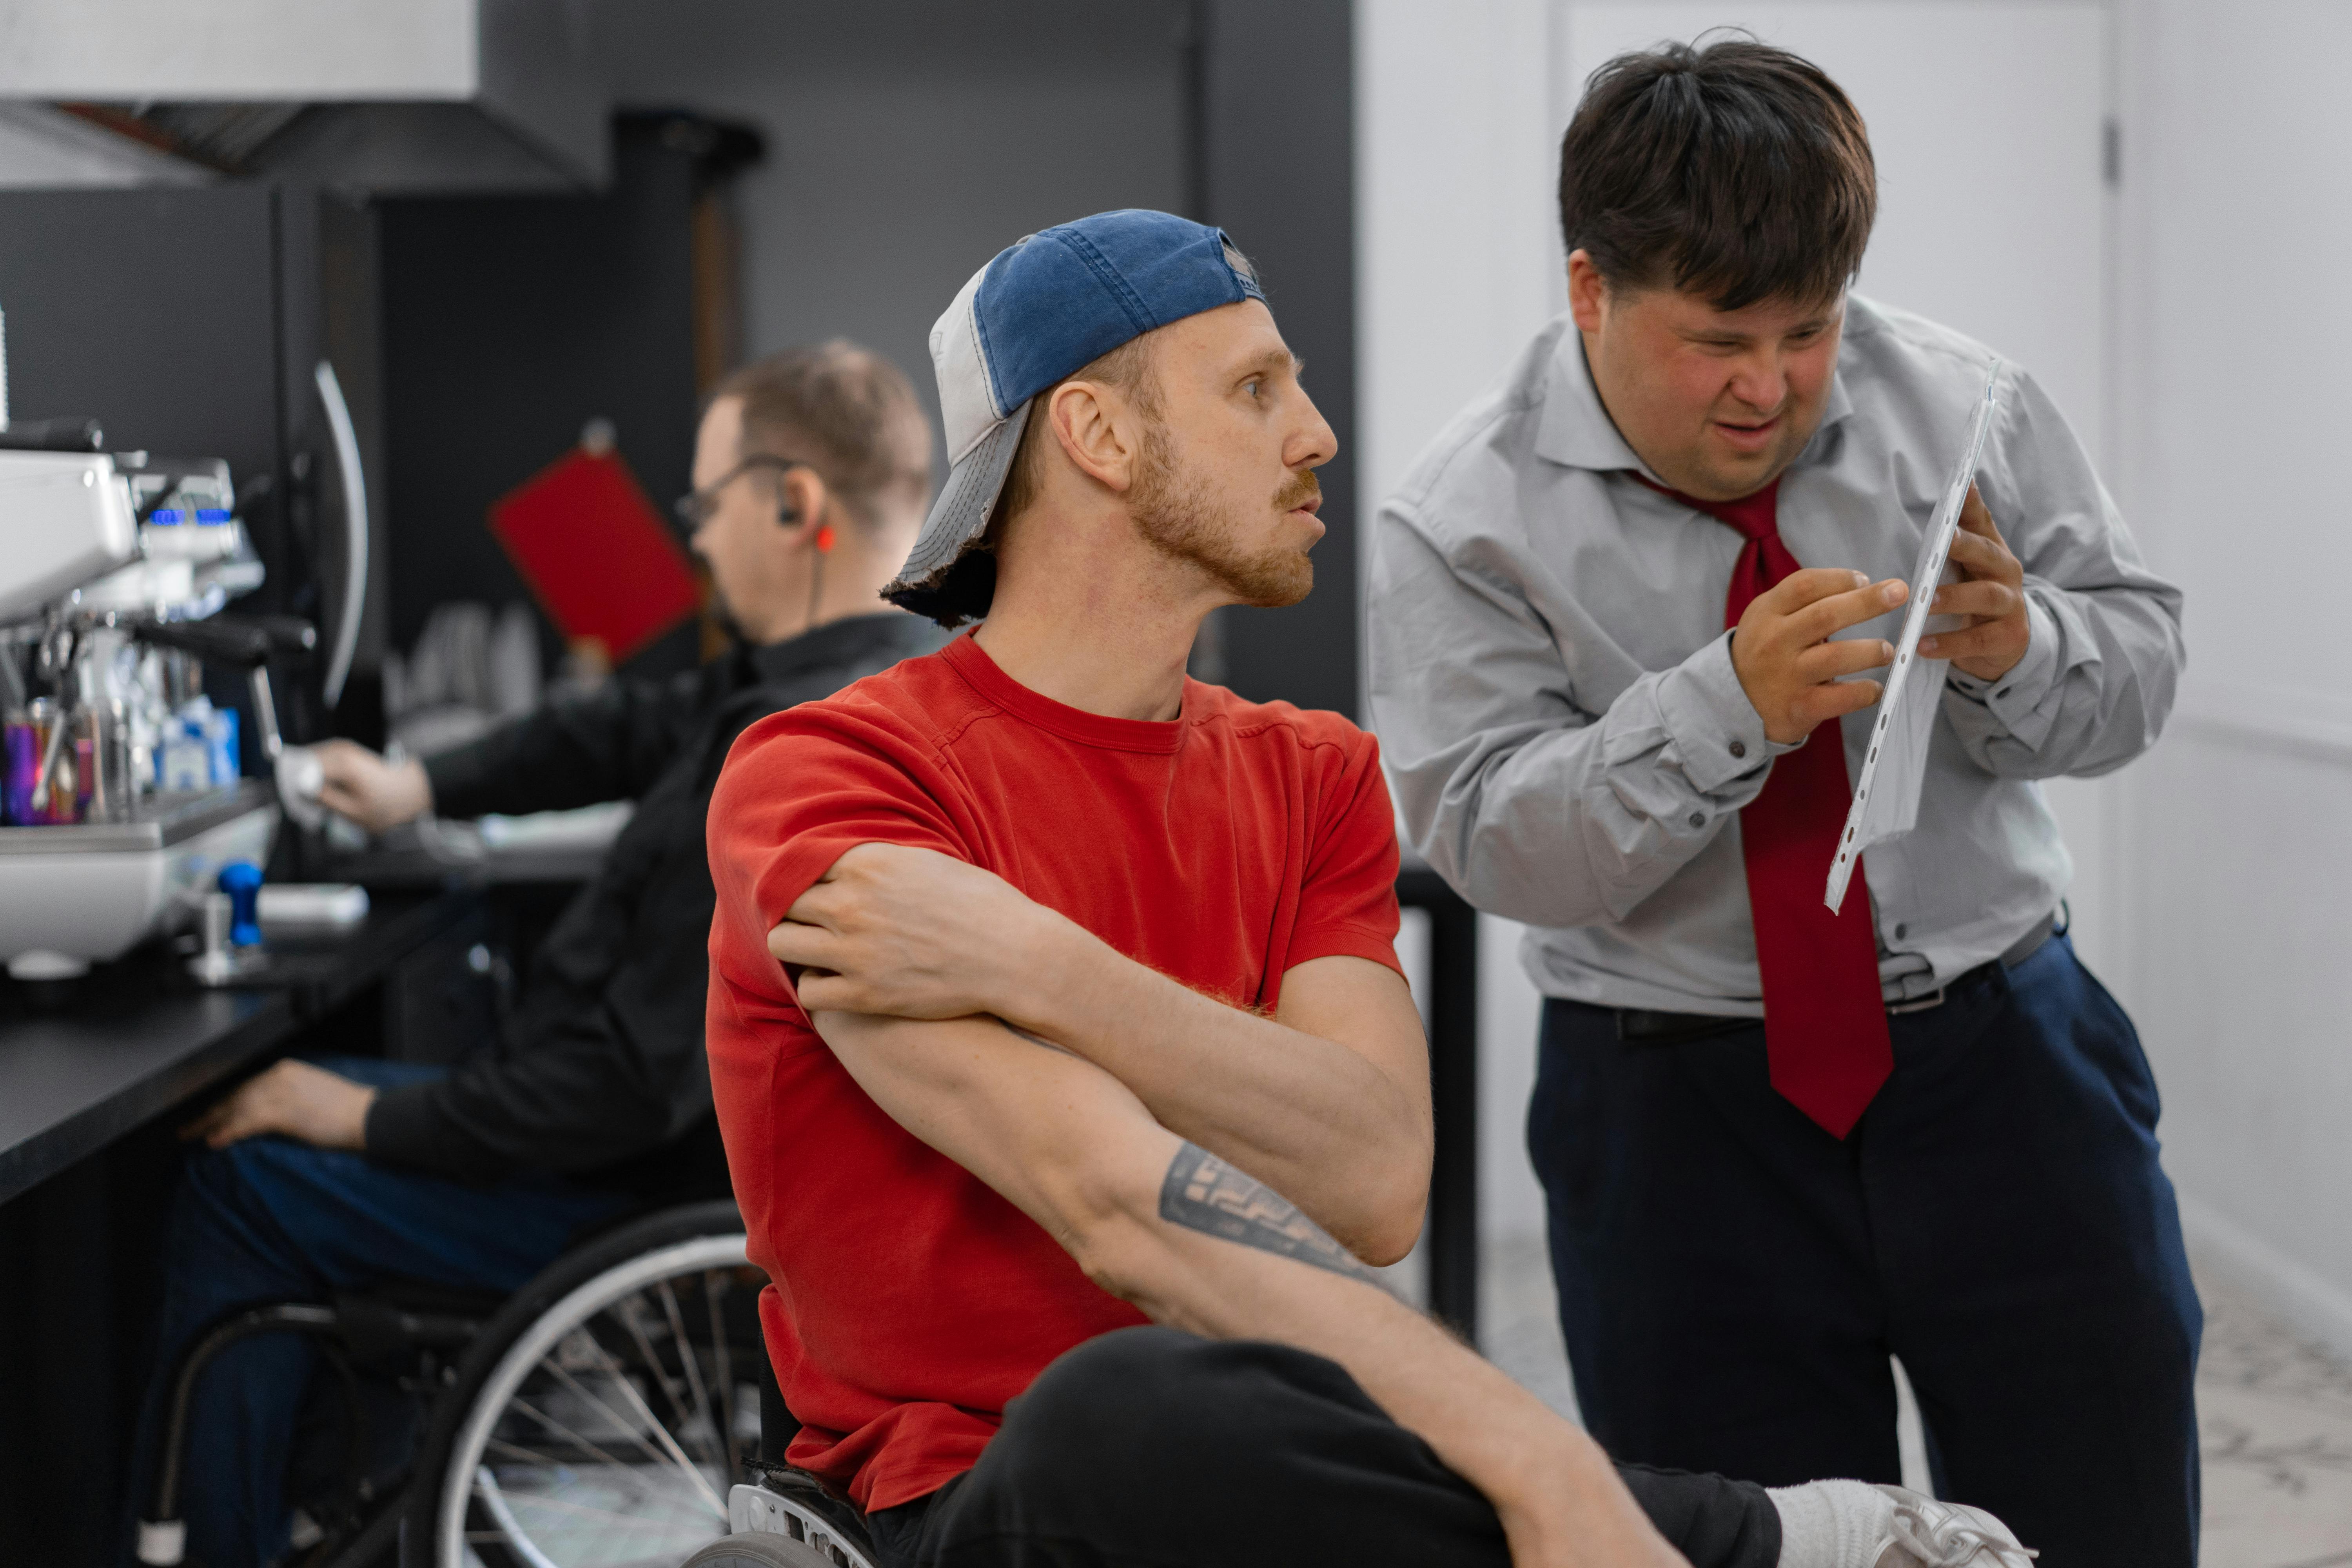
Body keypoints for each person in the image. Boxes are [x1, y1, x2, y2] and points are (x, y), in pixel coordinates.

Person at [707, 209, 2033, 1568]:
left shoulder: (1312, 773)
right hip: (974, 1502)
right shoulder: (828, 779)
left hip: (1280, 1465)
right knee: (1119, 1409)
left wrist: (1043, 966)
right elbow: (1108, 1199)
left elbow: (1377, 1175)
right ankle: (1774, 1543)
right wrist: (1542, 1465)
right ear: (1098, 435)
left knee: (1240, 1415)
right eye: (1254, 389)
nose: (1317, 433)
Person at [1362, 37, 2194, 1568]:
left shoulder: (1967, 406)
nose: (1771, 386)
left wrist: (2026, 647)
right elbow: (1486, 845)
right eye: (1719, 339)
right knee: (1749, 1542)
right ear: (1590, 289)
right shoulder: (1460, 520)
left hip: (2010, 1064)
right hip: (1673, 1118)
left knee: (2105, 1511)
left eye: (1810, 330)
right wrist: (1723, 707)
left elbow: (2141, 668)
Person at [130, 341, 945, 1568]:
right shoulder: (854, 684)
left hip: (615, 1191)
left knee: (246, 1181)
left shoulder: (796, 753)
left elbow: (620, 1088)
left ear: (795, 505)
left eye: (706, 506)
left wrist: (354, 1116)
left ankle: (216, 1546)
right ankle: (330, 1498)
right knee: (304, 1125)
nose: (698, 543)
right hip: (636, 1160)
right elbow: (617, 730)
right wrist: (418, 784)